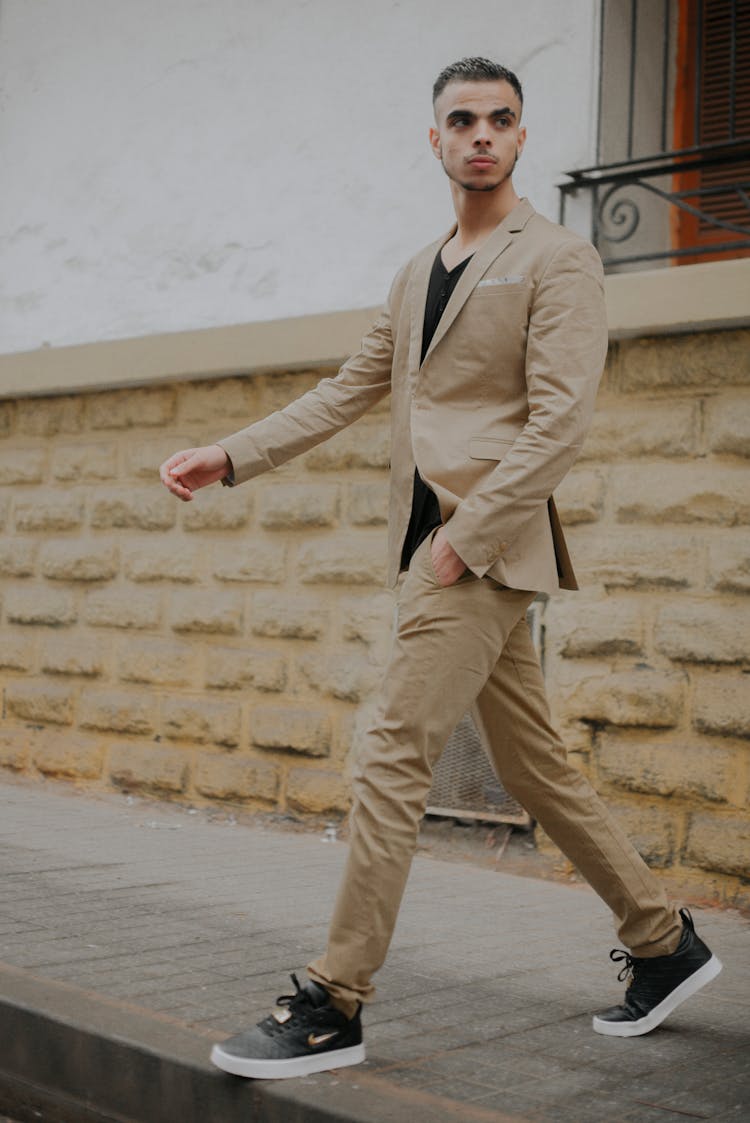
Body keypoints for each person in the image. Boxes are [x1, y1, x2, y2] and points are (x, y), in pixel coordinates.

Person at [159, 57, 722, 1080]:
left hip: (475, 550)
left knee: (389, 755)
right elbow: (345, 391)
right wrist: (229, 455)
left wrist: (464, 538)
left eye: (500, 120)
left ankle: (334, 1001)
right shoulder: (418, 271)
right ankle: (662, 940)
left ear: (520, 136)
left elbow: (559, 423)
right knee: (533, 766)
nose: (480, 136)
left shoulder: (558, 260)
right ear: (434, 139)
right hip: (447, 546)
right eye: (461, 120)